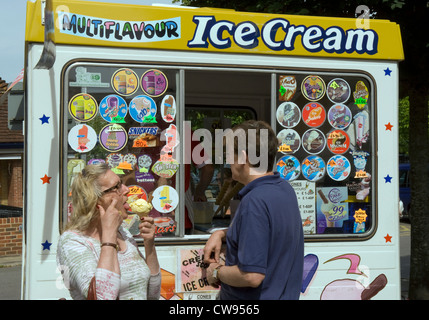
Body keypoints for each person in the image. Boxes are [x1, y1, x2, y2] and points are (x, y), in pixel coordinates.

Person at [203, 120, 304, 300]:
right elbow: (270, 232)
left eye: (229, 155)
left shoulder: (254, 201)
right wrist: (221, 234)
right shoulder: (284, 189)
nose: (228, 162)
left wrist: (216, 272)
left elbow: (251, 275)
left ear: (243, 158)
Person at [56, 163, 161, 300]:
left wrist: (149, 245)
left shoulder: (123, 233)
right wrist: (109, 236)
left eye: (122, 183)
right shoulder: (72, 242)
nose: (126, 189)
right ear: (96, 199)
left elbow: (152, 295)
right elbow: (101, 297)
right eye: (117, 186)